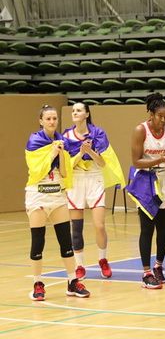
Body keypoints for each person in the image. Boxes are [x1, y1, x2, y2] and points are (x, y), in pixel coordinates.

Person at [25, 105, 90, 300]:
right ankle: (38, 283)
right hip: (38, 195)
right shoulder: (34, 141)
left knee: (66, 241)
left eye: (54, 118)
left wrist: (62, 153)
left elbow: (64, 172)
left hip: (57, 194)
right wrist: (52, 153)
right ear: (41, 121)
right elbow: (36, 171)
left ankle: (72, 282)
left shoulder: (62, 141)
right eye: (48, 119)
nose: (52, 122)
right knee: (38, 241)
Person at [63, 102, 125, 281]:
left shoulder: (98, 133)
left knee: (99, 225)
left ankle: (103, 259)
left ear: (87, 114)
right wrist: (80, 153)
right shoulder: (66, 136)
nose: (75, 113)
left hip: (94, 177)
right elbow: (67, 165)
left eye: (79, 110)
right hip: (76, 179)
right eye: (73, 110)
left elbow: (103, 163)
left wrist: (89, 151)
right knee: (76, 228)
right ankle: (79, 265)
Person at [127, 93, 165, 289]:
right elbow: (136, 161)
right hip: (146, 180)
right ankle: (146, 272)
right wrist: (159, 160)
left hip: (164, 179)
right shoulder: (140, 130)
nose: (163, 120)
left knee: (164, 228)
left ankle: (158, 266)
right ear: (151, 114)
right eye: (160, 116)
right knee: (147, 228)